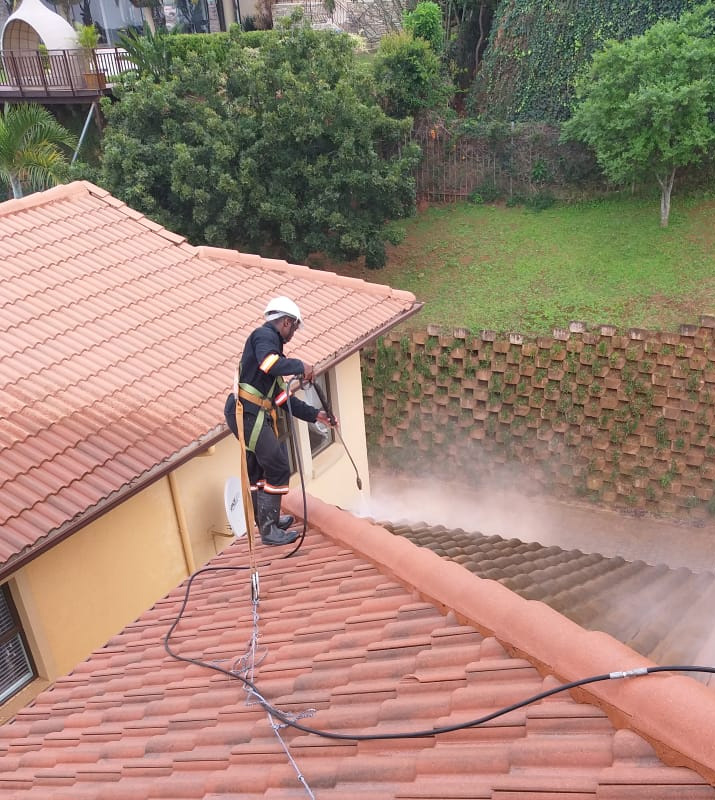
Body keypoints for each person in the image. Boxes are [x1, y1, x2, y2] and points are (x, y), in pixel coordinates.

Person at [224, 296, 335, 546]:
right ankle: (269, 530)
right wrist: (300, 365)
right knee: (278, 465)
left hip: (250, 412)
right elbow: (270, 364)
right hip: (247, 413)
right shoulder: (264, 336)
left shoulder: (270, 352)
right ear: (286, 322)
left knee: (260, 470)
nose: (293, 333)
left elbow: (283, 399)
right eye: (294, 327)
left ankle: (267, 522)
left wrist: (315, 414)